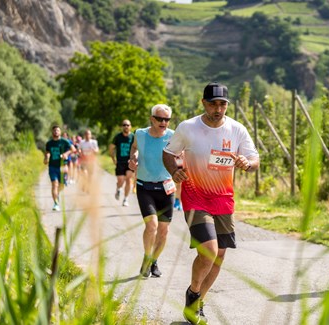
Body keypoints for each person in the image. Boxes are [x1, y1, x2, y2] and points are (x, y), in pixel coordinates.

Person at [162, 82, 259, 323]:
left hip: (224, 200)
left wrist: (247, 164)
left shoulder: (237, 129)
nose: (218, 109)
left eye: (222, 104)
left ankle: (196, 303)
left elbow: (254, 158)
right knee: (210, 250)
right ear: (203, 103)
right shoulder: (188, 128)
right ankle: (193, 292)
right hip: (195, 198)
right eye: (213, 103)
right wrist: (175, 171)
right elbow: (168, 153)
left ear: (227, 105)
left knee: (220, 256)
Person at [128, 104, 175, 279]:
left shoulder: (173, 136)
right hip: (144, 187)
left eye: (167, 119)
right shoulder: (140, 134)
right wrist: (133, 159)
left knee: (164, 231)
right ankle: (147, 258)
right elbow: (134, 149)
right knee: (152, 226)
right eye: (160, 119)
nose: (164, 122)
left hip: (166, 188)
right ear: (152, 119)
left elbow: (181, 156)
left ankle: (153, 261)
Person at [44, 125, 75, 211]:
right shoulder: (49, 143)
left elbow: (73, 149)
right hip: (52, 167)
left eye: (57, 130)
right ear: (52, 132)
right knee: (55, 184)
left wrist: (66, 154)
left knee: (61, 185)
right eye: (54, 131)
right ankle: (56, 203)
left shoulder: (64, 141)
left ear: (60, 132)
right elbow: (47, 153)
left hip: (62, 167)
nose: (56, 132)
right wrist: (46, 157)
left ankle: (57, 196)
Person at [109, 119, 135, 207]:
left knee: (128, 179)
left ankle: (125, 199)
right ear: (122, 127)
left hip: (130, 162)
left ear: (130, 126)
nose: (126, 126)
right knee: (120, 180)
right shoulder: (118, 137)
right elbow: (111, 148)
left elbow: (137, 148)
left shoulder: (133, 137)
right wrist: (113, 159)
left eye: (128, 125)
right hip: (120, 162)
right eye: (124, 125)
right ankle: (118, 189)